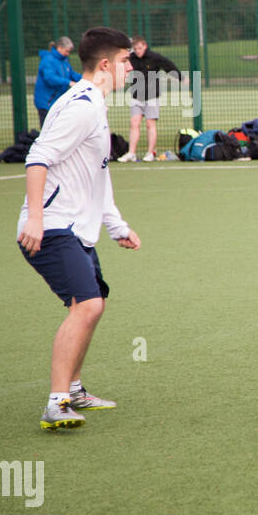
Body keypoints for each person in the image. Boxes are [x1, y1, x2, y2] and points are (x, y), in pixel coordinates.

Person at [16, 27, 142, 430]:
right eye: (125, 61)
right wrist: (35, 219)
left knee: (93, 302)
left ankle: (73, 389)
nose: (130, 68)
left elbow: (96, 175)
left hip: (75, 228)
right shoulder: (82, 106)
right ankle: (56, 403)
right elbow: (38, 158)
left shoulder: (94, 105)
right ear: (105, 65)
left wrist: (116, 225)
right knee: (87, 305)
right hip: (53, 228)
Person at [118, 37, 181, 163]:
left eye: (140, 48)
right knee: (134, 123)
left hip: (152, 96)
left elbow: (168, 65)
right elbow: (119, 62)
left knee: (149, 123)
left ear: (145, 46)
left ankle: (150, 152)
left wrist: (180, 77)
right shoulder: (130, 58)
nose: (138, 51)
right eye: (135, 49)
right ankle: (131, 153)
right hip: (136, 96)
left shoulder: (154, 57)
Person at [33, 37, 82, 127]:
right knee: (48, 131)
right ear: (59, 47)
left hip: (57, 102)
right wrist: (68, 82)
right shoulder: (47, 60)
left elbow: (72, 74)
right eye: (66, 51)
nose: (68, 54)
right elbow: (50, 78)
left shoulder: (64, 61)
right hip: (46, 102)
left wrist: (86, 78)